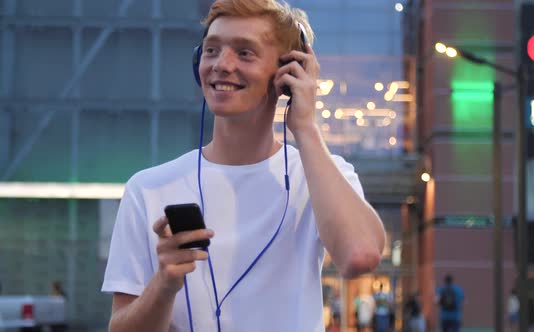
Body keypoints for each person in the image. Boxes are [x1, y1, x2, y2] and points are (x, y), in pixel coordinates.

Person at [101, 1, 386, 331]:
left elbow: (360, 256)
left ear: (288, 73)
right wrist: (164, 284)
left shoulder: (318, 174)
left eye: (244, 53)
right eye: (211, 50)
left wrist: (305, 127)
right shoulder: (148, 189)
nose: (221, 64)